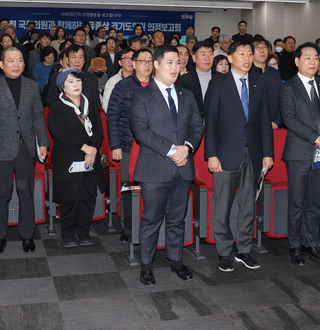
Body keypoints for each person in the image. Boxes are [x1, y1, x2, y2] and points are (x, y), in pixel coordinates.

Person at [129, 45, 204, 286]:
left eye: (178, 62)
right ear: (156, 65)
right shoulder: (142, 95)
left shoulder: (187, 94)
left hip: (183, 167)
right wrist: (174, 151)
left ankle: (176, 260)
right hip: (155, 168)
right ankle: (146, 265)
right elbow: (141, 131)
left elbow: (197, 126)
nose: (175, 67)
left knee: (177, 218)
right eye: (170, 62)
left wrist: (187, 148)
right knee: (151, 219)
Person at [204, 40, 274, 272]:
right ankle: (224, 252)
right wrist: (211, 155)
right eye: (242, 53)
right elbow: (210, 123)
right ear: (230, 58)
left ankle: (244, 250)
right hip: (225, 155)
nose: (247, 58)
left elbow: (264, 122)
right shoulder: (218, 84)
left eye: (250, 53)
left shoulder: (258, 83)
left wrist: (268, 153)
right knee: (223, 206)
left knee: (248, 206)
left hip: (253, 154)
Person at [0, 47, 48, 254]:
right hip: (0, 149)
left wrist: (43, 142)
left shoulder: (32, 86)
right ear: (1, 64)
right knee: (1, 195)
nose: (16, 64)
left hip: (25, 147)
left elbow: (38, 116)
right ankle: (0, 237)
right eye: (11, 60)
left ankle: (27, 236)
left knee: (26, 194)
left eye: (20, 60)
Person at [280, 42, 320, 265]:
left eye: (316, 57)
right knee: (297, 203)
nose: (313, 62)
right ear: (297, 61)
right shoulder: (288, 87)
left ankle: (311, 243)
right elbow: (289, 119)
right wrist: (316, 138)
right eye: (308, 57)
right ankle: (295, 246)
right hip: (299, 153)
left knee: (315, 202)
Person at [48, 68, 105, 247]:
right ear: (63, 87)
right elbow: (59, 133)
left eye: (78, 80)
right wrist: (84, 147)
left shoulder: (90, 104)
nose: (76, 84)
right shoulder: (57, 106)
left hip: (90, 158)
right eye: (70, 81)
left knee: (88, 197)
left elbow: (99, 130)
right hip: (68, 158)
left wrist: (92, 150)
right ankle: (68, 233)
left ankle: (83, 231)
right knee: (70, 199)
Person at [107, 48, 152, 183]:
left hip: (153, 147)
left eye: (150, 61)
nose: (147, 64)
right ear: (134, 64)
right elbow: (112, 117)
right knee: (130, 185)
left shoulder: (158, 86)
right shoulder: (122, 87)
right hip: (128, 145)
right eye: (143, 61)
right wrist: (116, 146)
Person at [44, 45, 101, 111]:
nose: (77, 61)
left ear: (84, 60)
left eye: (80, 57)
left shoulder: (92, 78)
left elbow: (95, 103)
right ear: (67, 60)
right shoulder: (56, 78)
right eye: (74, 57)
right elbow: (52, 100)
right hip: (63, 114)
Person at [177, 40, 213, 121]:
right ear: (194, 58)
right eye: (203, 54)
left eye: (210, 54)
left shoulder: (221, 78)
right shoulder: (184, 80)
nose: (207, 58)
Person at [251, 35, 282, 128]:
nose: (262, 50)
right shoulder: (246, 74)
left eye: (264, 47)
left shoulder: (275, 73)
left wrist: (277, 122)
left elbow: (282, 99)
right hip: (252, 126)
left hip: (273, 125)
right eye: (258, 47)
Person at [102, 48, 134, 113]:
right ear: (120, 62)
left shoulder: (142, 79)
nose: (130, 61)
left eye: (132, 58)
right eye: (126, 58)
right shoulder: (112, 81)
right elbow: (106, 104)